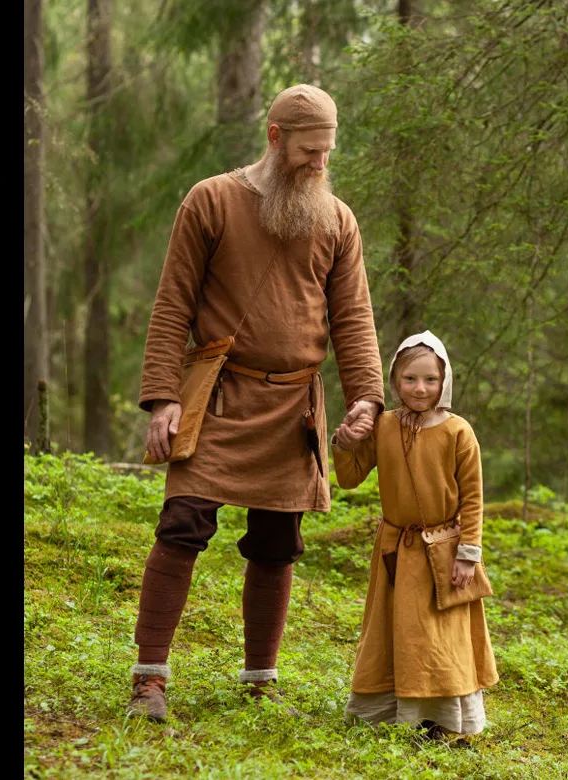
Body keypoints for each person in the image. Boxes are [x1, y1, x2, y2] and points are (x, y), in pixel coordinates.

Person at [129, 84, 386, 722]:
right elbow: (173, 303)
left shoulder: (338, 220)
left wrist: (366, 398)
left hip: (294, 406)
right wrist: (163, 398)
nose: (319, 163)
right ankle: (149, 679)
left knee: (277, 542)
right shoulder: (211, 200)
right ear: (275, 137)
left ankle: (259, 681)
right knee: (182, 524)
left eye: (327, 152)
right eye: (308, 151)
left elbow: (353, 318)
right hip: (218, 397)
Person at [331, 331, 498, 739]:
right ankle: (391, 712)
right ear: (395, 380)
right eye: (410, 379)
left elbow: (473, 498)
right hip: (395, 549)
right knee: (396, 631)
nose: (420, 388)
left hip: (444, 551)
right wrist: (345, 442)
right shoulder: (385, 426)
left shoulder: (458, 432)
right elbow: (350, 478)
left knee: (440, 636)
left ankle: (442, 718)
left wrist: (468, 554)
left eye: (430, 379)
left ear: (445, 382)